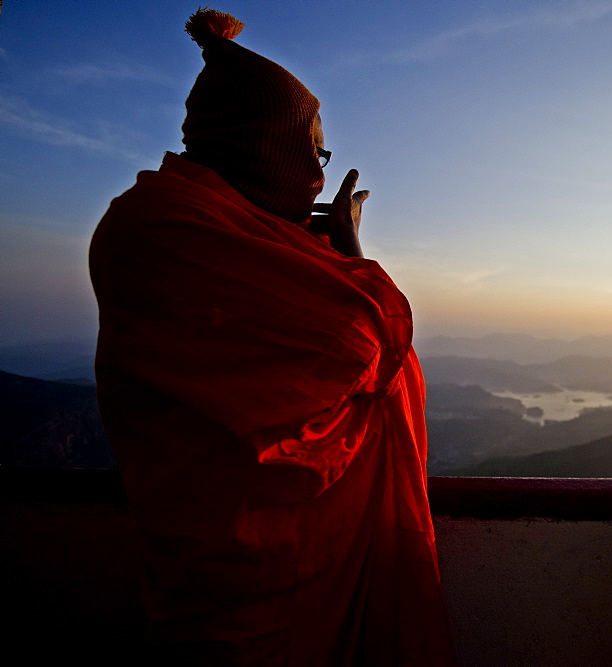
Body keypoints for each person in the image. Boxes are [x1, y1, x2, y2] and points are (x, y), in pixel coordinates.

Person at [89, 9, 455, 665]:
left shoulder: (149, 223)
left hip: (200, 570)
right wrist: (346, 249)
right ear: (268, 145)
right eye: (312, 148)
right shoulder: (175, 231)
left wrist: (315, 248)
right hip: (266, 582)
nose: (318, 170)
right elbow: (369, 342)